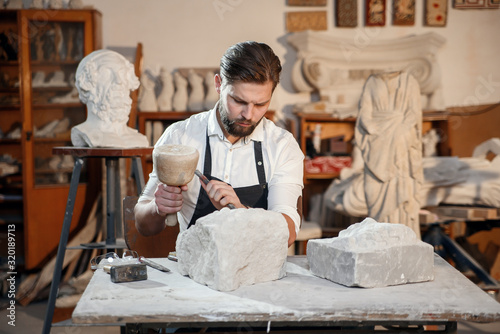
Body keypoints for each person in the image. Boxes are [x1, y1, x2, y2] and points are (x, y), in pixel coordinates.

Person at [134, 41, 304, 247]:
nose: (248, 115)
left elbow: (288, 234)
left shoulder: (281, 146)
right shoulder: (181, 136)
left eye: (260, 104)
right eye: (238, 101)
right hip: (196, 272)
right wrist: (157, 207)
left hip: (260, 274)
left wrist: (240, 212)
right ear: (218, 84)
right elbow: (144, 225)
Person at [72, 49, 148, 148]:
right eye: (107, 73)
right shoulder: (86, 133)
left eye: (123, 74)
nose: (119, 81)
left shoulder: (138, 139)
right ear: (87, 83)